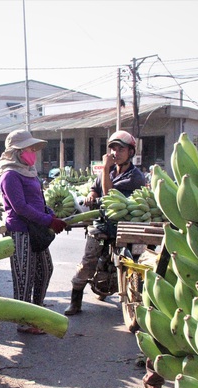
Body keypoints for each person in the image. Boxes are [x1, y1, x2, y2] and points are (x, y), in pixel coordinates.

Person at [65, 130, 145, 316]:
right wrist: (92, 195)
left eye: (120, 149)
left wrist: (105, 168)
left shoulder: (135, 176)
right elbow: (96, 188)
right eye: (113, 149)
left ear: (131, 152)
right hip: (103, 224)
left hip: (126, 227)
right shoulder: (107, 172)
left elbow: (109, 195)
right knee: (88, 261)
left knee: (138, 261)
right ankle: (75, 301)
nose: (115, 153)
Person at [0, 129, 67, 335]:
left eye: (34, 148)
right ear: (18, 151)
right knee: (24, 276)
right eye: (29, 148)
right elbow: (20, 207)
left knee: (45, 270)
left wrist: (50, 214)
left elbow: (38, 201)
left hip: (37, 229)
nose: (33, 152)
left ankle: (36, 311)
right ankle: (23, 320)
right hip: (21, 231)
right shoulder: (9, 175)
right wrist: (48, 221)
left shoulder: (30, 171)